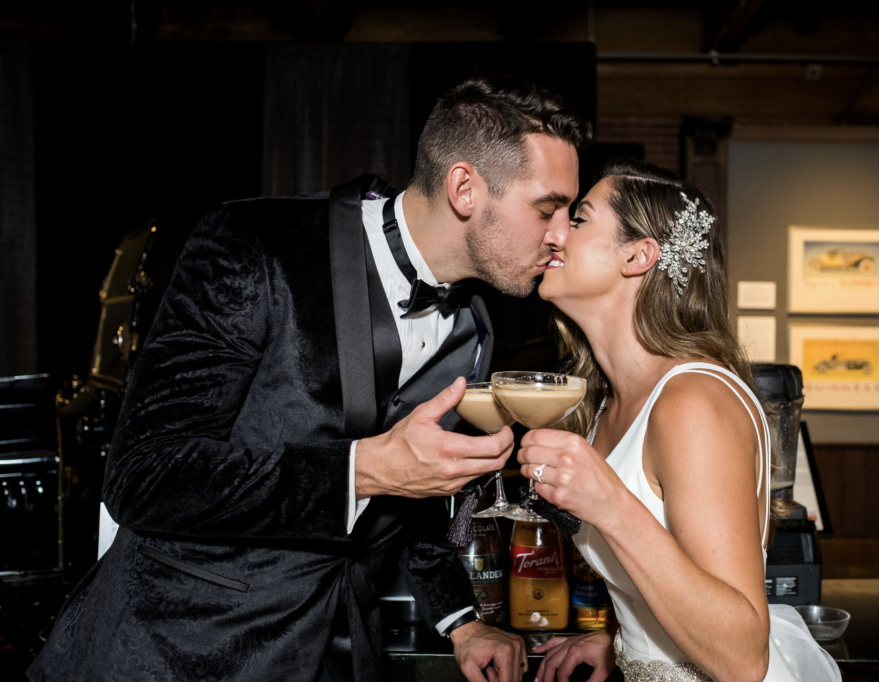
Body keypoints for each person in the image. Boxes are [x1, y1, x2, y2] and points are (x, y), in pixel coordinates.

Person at [27, 75, 591, 682]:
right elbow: (145, 472)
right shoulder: (256, 245)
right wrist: (363, 469)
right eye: (547, 209)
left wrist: (461, 618)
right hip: (176, 650)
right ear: (464, 187)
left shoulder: (473, 329)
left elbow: (414, 502)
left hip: (337, 653)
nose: (562, 238)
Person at [518, 160, 842, 682]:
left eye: (579, 220)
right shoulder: (605, 403)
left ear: (638, 256)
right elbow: (667, 577)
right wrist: (623, 638)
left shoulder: (692, 400)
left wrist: (610, 504)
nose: (554, 233)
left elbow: (742, 656)